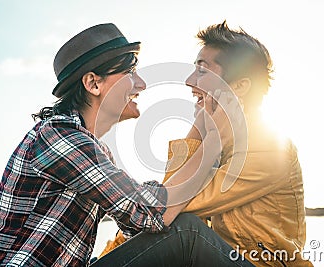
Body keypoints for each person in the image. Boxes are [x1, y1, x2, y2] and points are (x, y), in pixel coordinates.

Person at [0, 23, 253, 267]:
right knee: (187, 233)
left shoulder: (92, 148)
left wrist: (205, 137)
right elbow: (153, 214)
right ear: (93, 83)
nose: (141, 83)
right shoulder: (59, 138)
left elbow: (139, 219)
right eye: (130, 73)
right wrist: (215, 141)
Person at [101, 21, 313, 267]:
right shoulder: (219, 139)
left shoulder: (267, 147)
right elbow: (166, 203)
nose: (189, 81)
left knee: (186, 230)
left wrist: (199, 128)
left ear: (240, 86)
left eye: (202, 71)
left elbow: (169, 206)